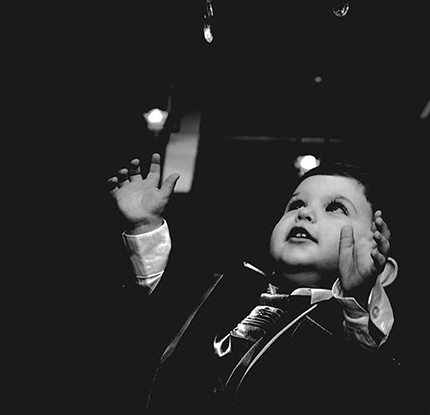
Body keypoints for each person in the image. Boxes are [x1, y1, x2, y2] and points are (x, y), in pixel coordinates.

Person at [102, 152, 412, 415]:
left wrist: (358, 296)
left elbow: (368, 371)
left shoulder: (349, 331)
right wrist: (145, 225)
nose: (305, 213)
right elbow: (165, 310)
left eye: (336, 208)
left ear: (383, 273)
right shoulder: (228, 287)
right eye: (295, 204)